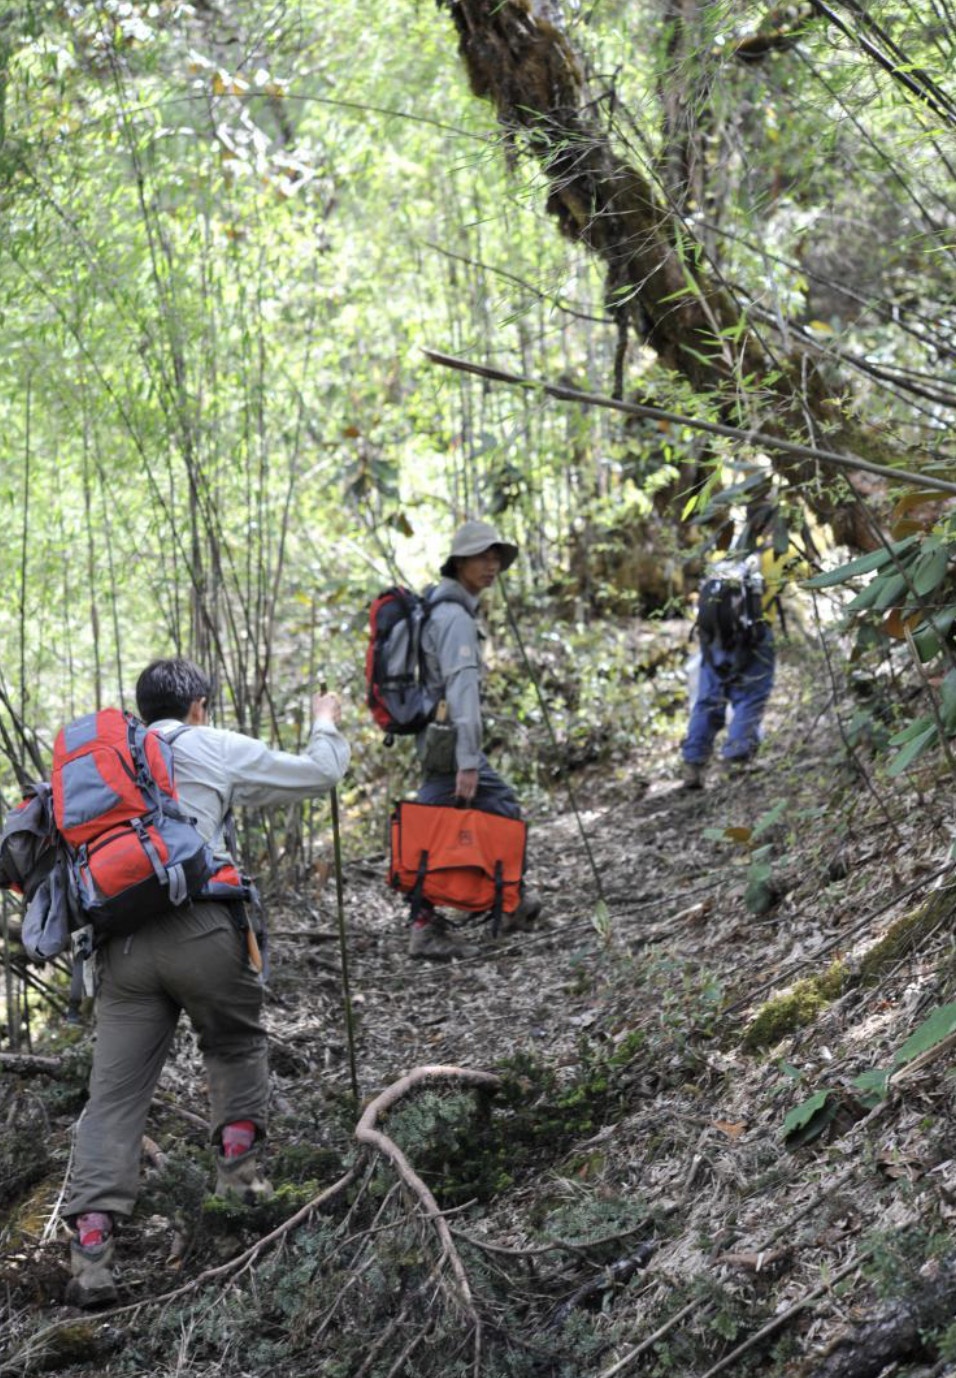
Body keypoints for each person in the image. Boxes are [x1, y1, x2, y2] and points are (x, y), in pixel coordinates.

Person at [62, 659, 350, 1308]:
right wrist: (325, 722)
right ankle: (241, 1193)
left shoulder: (107, 763)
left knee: (113, 1099)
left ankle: (91, 1257)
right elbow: (320, 773)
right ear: (198, 706)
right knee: (234, 1044)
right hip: (202, 927)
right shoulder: (207, 743)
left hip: (121, 945)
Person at [409, 519, 540, 959]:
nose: (492, 565)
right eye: (482, 557)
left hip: (439, 737)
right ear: (459, 563)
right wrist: (468, 761)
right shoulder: (453, 618)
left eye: (496, 557)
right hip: (450, 743)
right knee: (484, 810)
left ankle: (509, 899)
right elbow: (461, 690)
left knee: (462, 813)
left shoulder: (446, 608)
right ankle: (433, 924)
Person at [680, 503, 790, 788]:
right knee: (751, 696)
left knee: (708, 700)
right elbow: (803, 575)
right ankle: (736, 760)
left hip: (713, 640)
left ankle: (693, 763)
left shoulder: (722, 552)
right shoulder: (776, 554)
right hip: (755, 638)